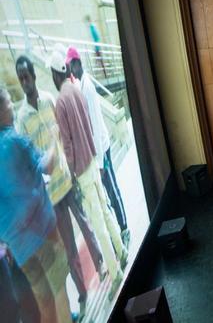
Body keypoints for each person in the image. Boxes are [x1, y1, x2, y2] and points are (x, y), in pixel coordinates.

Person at [16, 55, 104, 311]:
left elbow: (63, 133)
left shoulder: (49, 99)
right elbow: (28, 158)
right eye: (20, 79)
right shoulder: (22, 117)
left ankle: (100, 264)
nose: (24, 82)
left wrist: (69, 165)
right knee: (68, 244)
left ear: (33, 75)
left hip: (67, 178)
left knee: (86, 224)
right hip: (50, 194)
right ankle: (82, 291)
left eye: (27, 77)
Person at [50, 46, 126, 280]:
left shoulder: (61, 101)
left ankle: (116, 274)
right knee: (105, 210)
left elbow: (68, 145)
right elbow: (89, 126)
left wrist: (71, 172)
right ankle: (121, 251)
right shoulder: (76, 90)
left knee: (97, 220)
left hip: (81, 170)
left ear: (55, 74)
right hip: (93, 161)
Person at [0, 87, 73, 323]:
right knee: (59, 290)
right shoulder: (15, 142)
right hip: (43, 234)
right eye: (9, 102)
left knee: (45, 304)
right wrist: (54, 138)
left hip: (20, 251)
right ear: (1, 109)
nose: (13, 106)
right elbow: (48, 166)